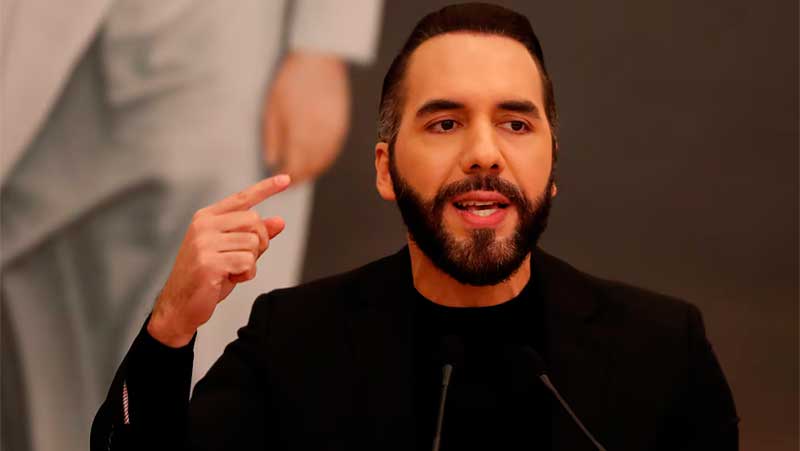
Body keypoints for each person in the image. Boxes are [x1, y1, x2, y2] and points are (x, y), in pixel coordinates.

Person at [91, 3, 738, 450]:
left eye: (515, 124)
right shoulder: (290, 343)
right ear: (385, 168)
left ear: (552, 167)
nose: (484, 154)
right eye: (445, 123)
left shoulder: (663, 350)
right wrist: (169, 328)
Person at [1, 1, 382, 451]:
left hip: (218, 43)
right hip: (31, 49)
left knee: (209, 340)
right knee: (51, 344)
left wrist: (323, 43)